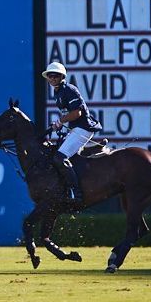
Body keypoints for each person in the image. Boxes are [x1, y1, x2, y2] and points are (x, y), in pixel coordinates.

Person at [41, 61, 101, 203]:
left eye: (56, 76)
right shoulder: (57, 92)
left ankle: (76, 193)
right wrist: (59, 124)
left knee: (59, 158)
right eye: (50, 76)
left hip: (84, 128)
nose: (52, 78)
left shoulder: (69, 89)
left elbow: (77, 113)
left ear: (62, 77)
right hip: (76, 128)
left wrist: (60, 121)